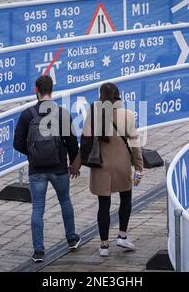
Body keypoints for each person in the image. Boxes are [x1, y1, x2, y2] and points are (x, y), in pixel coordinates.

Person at [13, 75, 81, 263]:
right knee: (65, 201)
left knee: (38, 208)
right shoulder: (62, 113)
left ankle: (39, 251)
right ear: (52, 90)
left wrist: (33, 153)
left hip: (37, 170)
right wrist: (74, 164)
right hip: (59, 168)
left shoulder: (27, 115)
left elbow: (17, 143)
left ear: (36, 90)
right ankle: (72, 239)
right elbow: (72, 143)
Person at [72, 82, 144, 257]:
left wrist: (77, 163)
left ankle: (104, 245)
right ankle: (122, 235)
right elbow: (135, 144)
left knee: (104, 205)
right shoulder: (127, 115)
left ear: (101, 96)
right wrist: (139, 167)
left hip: (101, 166)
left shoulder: (94, 114)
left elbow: (86, 142)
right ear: (118, 96)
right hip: (122, 165)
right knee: (126, 198)